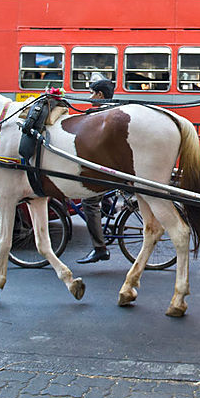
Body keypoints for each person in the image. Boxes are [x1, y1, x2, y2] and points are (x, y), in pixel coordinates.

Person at [76, 78, 116, 264]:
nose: (90, 97)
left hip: (104, 169)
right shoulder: (111, 111)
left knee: (89, 202)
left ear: (100, 95)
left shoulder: (96, 114)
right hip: (109, 167)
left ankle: (99, 248)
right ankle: (108, 206)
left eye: (92, 93)